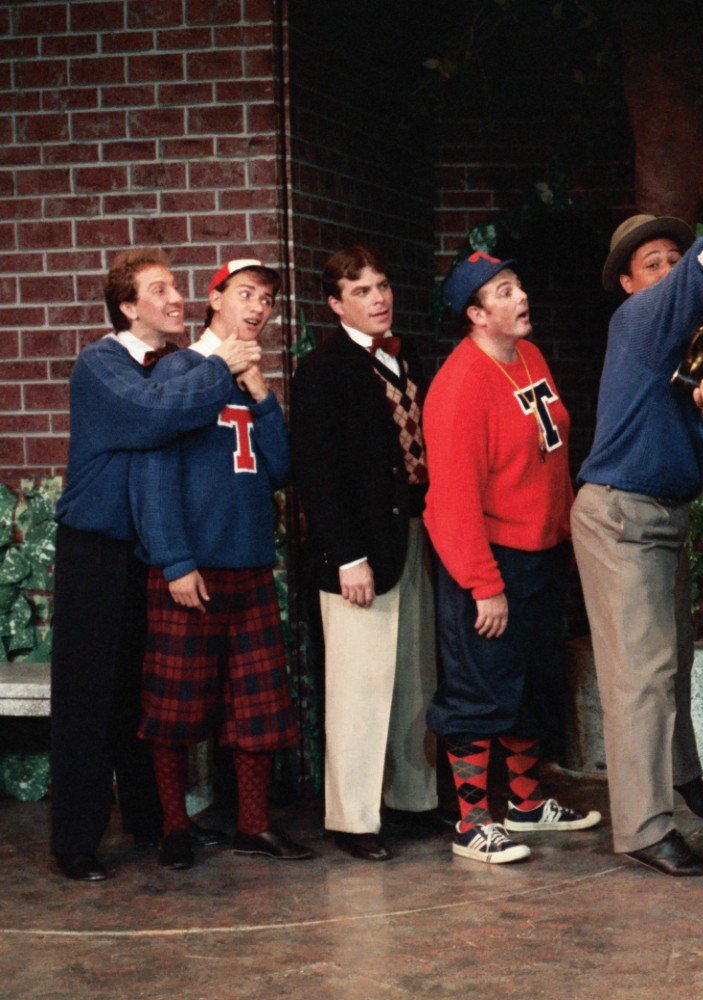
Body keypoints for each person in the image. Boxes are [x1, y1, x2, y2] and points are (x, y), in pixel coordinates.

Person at [49, 247, 258, 880]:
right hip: (96, 552)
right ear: (127, 306)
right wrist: (220, 362)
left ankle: (150, 822)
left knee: (139, 696)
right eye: (159, 290)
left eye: (175, 288)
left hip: (146, 553)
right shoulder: (101, 365)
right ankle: (76, 843)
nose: (175, 298)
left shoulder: (167, 366)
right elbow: (155, 414)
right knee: (89, 698)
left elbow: (176, 406)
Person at [570, 215, 703, 877]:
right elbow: (696, 275)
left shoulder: (685, 350)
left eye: (670, 260)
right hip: (622, 518)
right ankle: (644, 827)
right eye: (651, 264)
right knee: (642, 676)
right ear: (631, 285)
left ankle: (679, 775)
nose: (663, 272)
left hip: (663, 519)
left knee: (671, 661)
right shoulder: (637, 323)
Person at [422, 252, 601, 865]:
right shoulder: (459, 385)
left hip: (542, 554)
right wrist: (483, 584)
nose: (520, 296)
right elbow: (450, 501)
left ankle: (525, 804)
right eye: (503, 291)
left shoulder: (529, 356)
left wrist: (570, 540)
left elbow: (550, 458)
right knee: (478, 689)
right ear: (476, 314)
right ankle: (472, 823)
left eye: (517, 284)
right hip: (490, 560)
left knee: (531, 683)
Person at [131, 258, 311, 869]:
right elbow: (153, 470)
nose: (258, 308)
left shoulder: (251, 380)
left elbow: (283, 468)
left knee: (256, 706)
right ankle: (174, 827)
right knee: (176, 707)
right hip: (192, 571)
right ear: (215, 300)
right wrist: (175, 560)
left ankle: (253, 825)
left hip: (250, 565)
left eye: (265, 298)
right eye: (245, 294)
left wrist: (261, 394)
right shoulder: (180, 369)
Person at [291, 246, 441, 863]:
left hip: (409, 531)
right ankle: (353, 818)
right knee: (359, 683)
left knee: (412, 674)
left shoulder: (403, 360)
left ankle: (411, 800)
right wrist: (345, 555)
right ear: (335, 303)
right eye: (361, 291)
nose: (378, 299)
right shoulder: (323, 370)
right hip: (357, 546)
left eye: (382, 287)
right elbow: (316, 474)